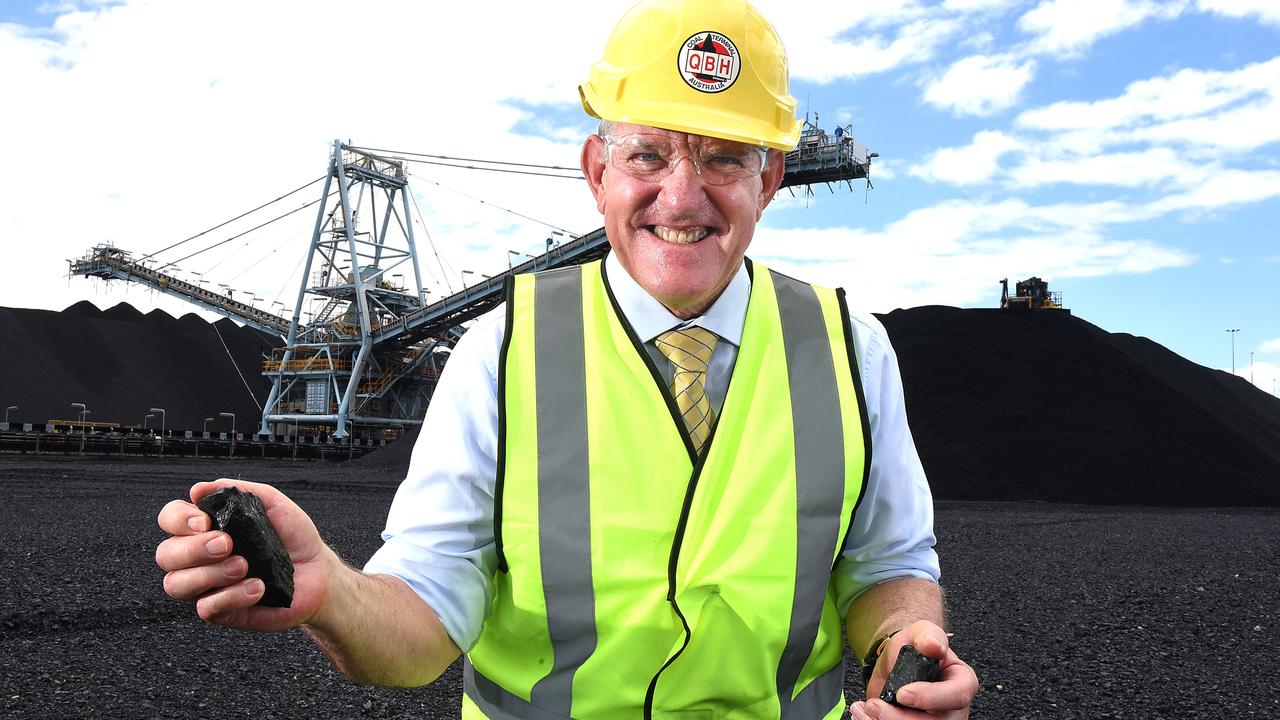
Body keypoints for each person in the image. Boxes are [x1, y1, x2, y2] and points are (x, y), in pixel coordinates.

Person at [155, 1, 978, 718]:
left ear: (769, 182)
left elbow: (888, 563)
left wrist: (906, 641)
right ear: (597, 172)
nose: (683, 196)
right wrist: (331, 593)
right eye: (648, 154)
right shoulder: (499, 354)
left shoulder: (851, 348)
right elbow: (421, 625)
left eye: (725, 155)